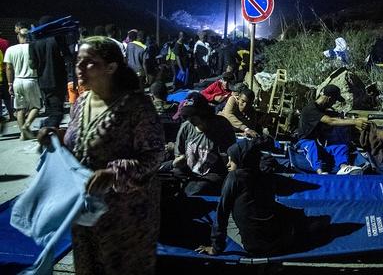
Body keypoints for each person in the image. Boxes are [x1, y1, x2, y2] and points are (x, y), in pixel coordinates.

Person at [37, 35, 165, 274]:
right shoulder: (82, 101)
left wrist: (115, 172)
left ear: (111, 67)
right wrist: (56, 136)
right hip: (86, 212)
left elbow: (155, 154)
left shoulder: (137, 106)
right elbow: (81, 139)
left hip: (126, 218)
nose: (79, 68)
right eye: (78, 61)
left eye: (89, 62)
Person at [196, 138, 295, 256]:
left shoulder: (235, 177)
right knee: (275, 208)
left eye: (231, 160)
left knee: (228, 215)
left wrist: (216, 248)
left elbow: (221, 214)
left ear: (241, 159)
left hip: (254, 245)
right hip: (277, 241)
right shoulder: (266, 175)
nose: (228, 164)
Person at [165, 92, 236, 195]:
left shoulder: (221, 126)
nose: (189, 120)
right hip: (189, 170)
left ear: (203, 113)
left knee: (195, 189)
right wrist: (178, 162)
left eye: (192, 116)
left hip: (212, 173)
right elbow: (179, 154)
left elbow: (229, 158)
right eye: (187, 116)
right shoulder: (186, 126)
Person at [296, 84, 368, 175]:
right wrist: (354, 122)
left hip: (319, 144)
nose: (334, 103)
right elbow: (330, 121)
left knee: (340, 145)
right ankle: (320, 171)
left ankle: (344, 167)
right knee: (312, 145)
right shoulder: (310, 109)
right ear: (329, 98)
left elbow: (338, 118)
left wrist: (357, 121)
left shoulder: (323, 109)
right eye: (334, 100)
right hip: (305, 141)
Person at [29, 16, 68, 129]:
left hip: (43, 82)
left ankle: (46, 127)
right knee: (57, 113)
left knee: (51, 110)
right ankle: (48, 132)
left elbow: (33, 65)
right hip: (58, 79)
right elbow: (67, 56)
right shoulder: (58, 38)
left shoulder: (33, 43)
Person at [4, 28, 40, 140]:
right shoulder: (33, 47)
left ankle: (23, 134)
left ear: (18, 36)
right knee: (36, 107)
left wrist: (10, 83)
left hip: (17, 81)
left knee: (20, 109)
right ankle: (26, 125)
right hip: (31, 80)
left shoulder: (11, 49)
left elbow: (9, 68)